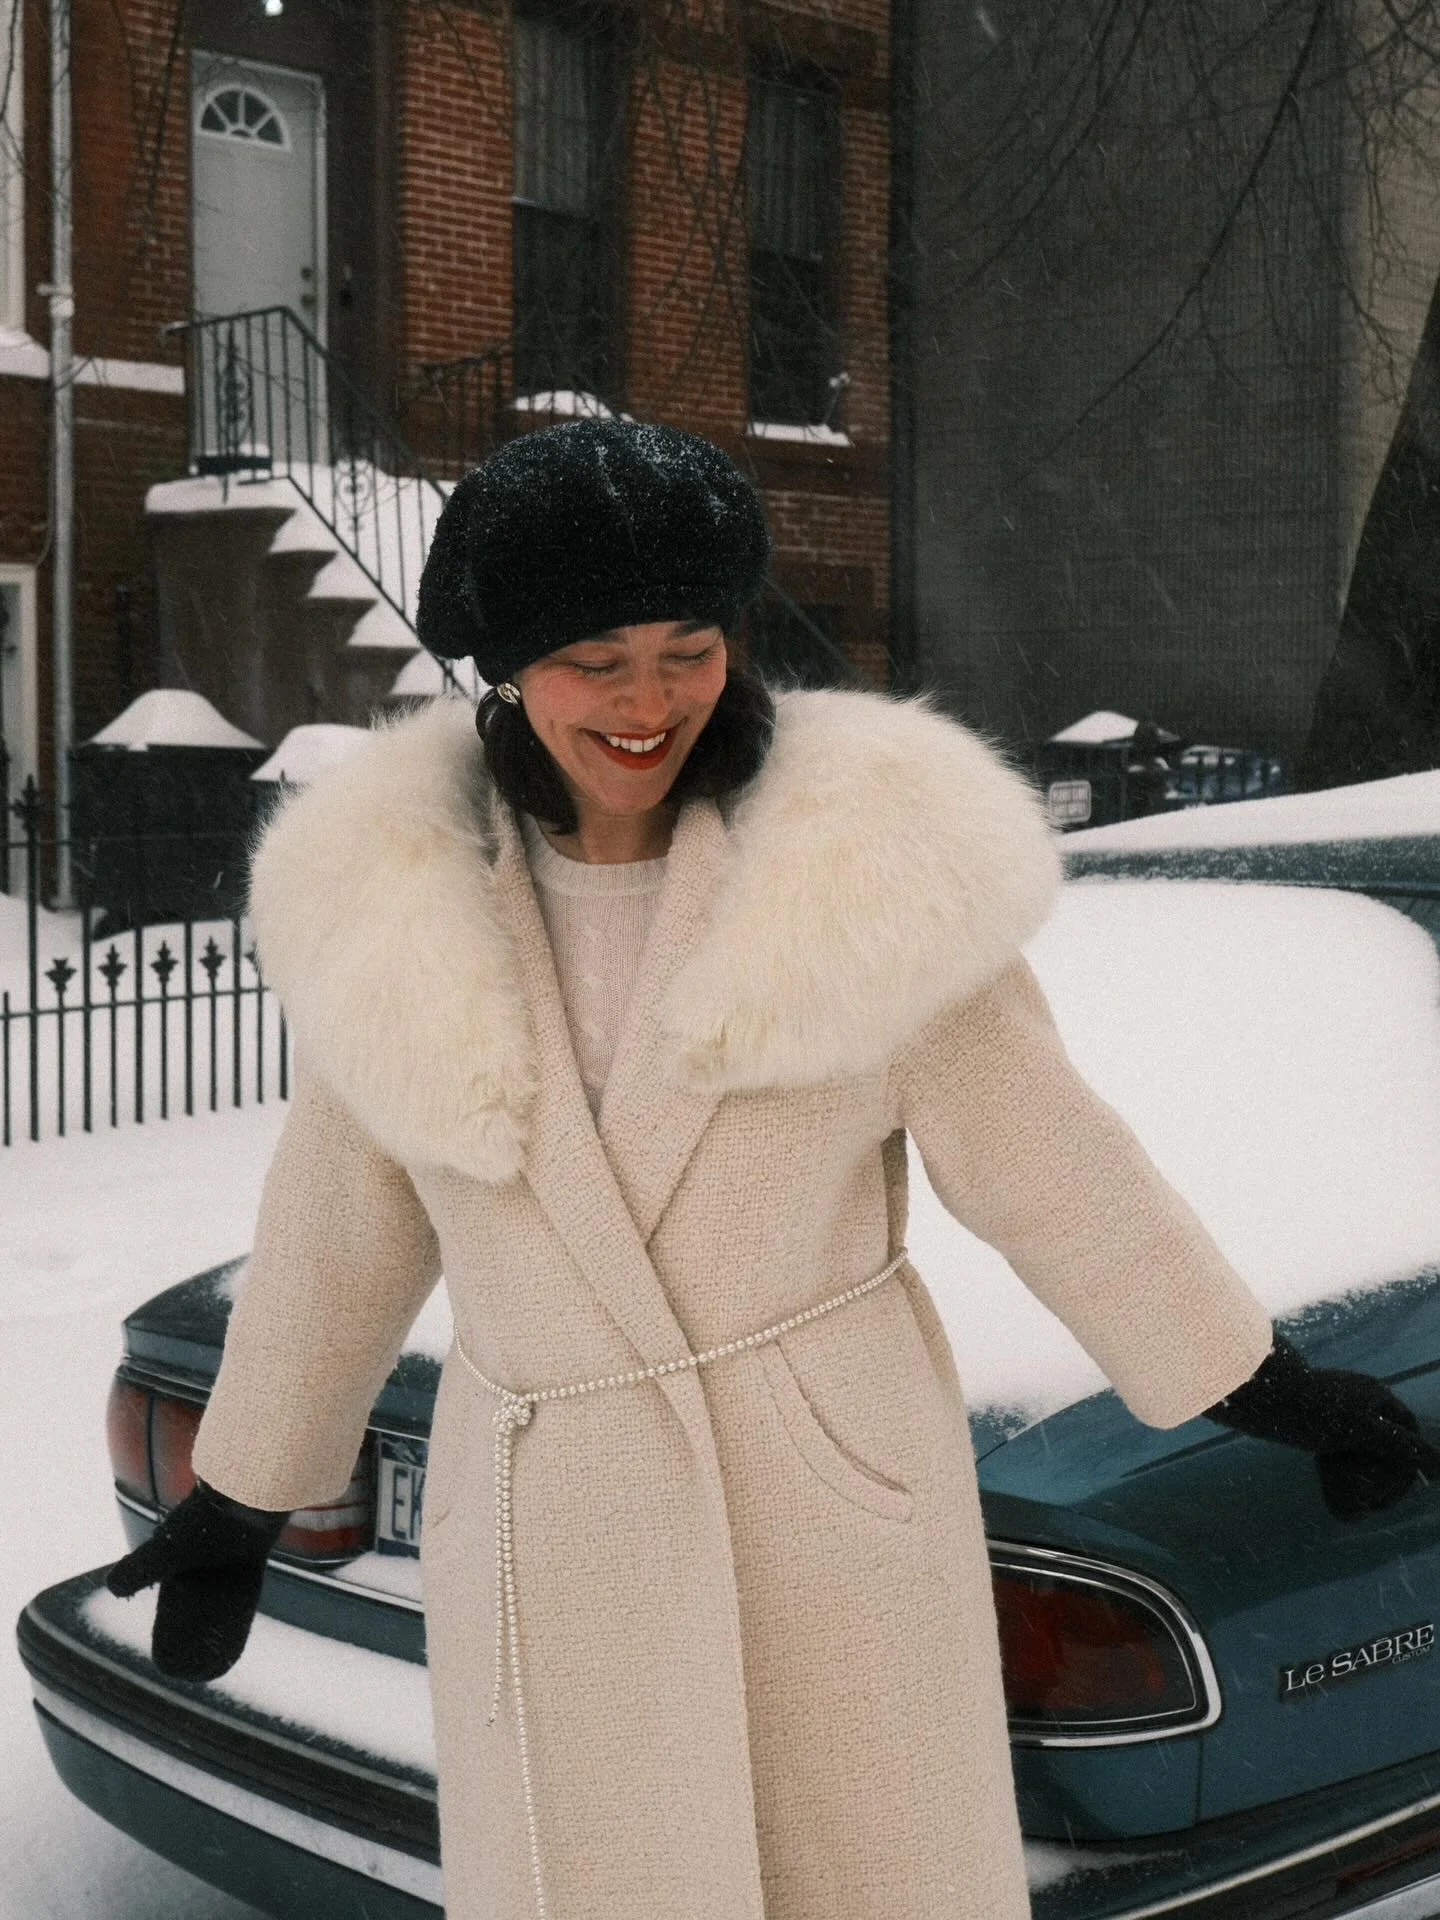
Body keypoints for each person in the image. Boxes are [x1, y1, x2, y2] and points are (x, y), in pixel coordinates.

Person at [108, 419, 1440, 1920]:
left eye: (688, 649)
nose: (650, 700)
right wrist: (239, 1499)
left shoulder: (856, 879)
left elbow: (1051, 1163)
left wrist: (1253, 1380)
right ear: (507, 665)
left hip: (827, 1497)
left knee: (866, 1876)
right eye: (596, 659)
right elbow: (336, 1237)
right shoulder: (393, 920)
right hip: (561, 1518)